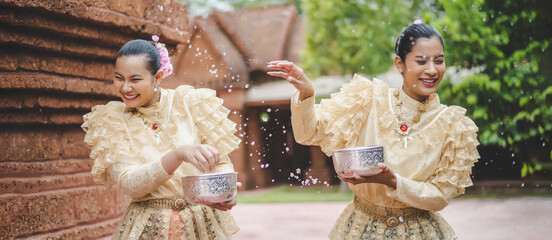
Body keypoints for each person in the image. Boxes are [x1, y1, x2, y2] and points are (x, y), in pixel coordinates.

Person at [267, 21, 479, 239]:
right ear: (400, 64)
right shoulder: (368, 100)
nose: (432, 70)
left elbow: (440, 196)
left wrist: (393, 181)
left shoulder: (453, 125)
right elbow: (309, 133)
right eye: (421, 61)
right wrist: (306, 93)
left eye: (439, 61)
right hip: (362, 229)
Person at [82, 36, 240, 239]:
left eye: (135, 79)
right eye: (119, 78)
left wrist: (226, 191)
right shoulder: (112, 119)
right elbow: (129, 183)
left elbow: (221, 162)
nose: (125, 88)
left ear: (157, 77)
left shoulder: (190, 103)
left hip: (201, 226)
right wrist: (178, 154)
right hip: (148, 228)